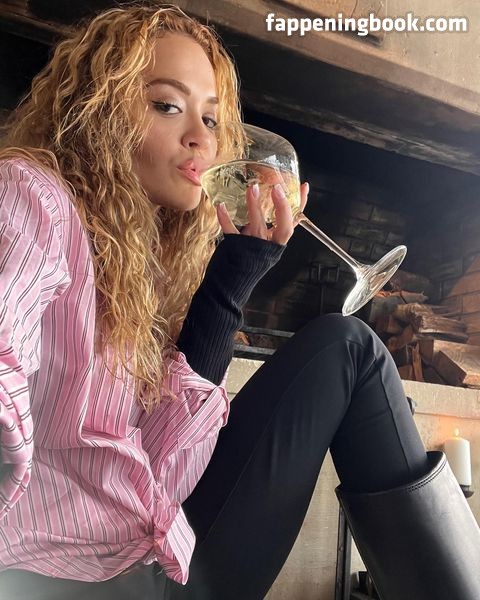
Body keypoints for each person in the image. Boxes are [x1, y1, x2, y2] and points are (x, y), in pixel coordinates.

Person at [0, 4, 479, 600]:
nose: (202, 137)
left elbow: (168, 467)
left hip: (151, 556)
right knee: (349, 346)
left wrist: (232, 280)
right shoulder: (32, 194)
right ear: (96, 111)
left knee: (345, 346)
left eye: (211, 117)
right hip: (69, 580)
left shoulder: (138, 260)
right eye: (166, 105)